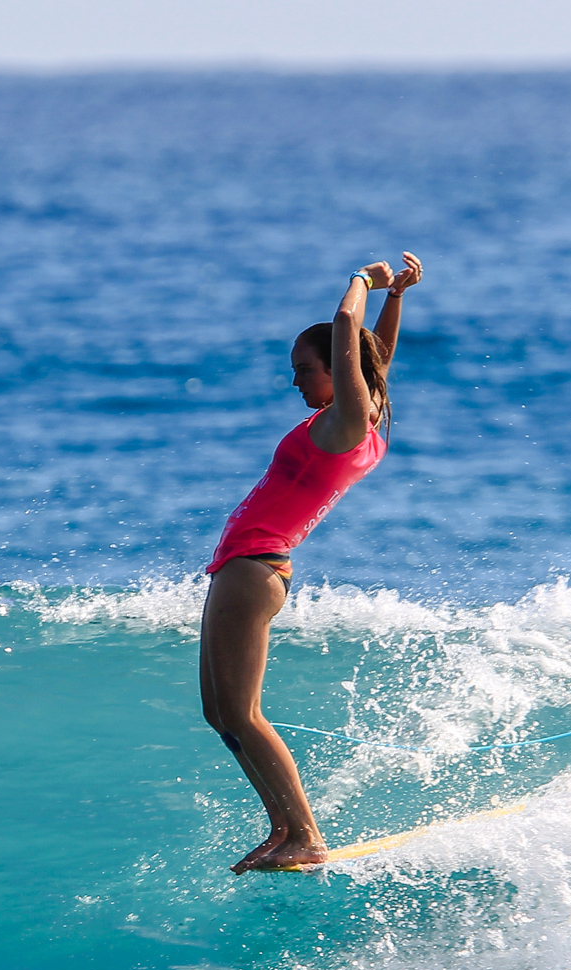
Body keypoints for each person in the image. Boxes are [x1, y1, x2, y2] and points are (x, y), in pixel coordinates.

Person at [199, 253, 423, 872]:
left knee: (241, 713)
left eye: (304, 369)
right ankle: (284, 829)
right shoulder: (360, 418)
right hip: (247, 567)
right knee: (221, 714)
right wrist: (397, 299)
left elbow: (350, 336)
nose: (295, 381)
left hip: (253, 567)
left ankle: (303, 834)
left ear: (338, 369)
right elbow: (375, 356)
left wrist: (362, 281)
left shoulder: (348, 424)